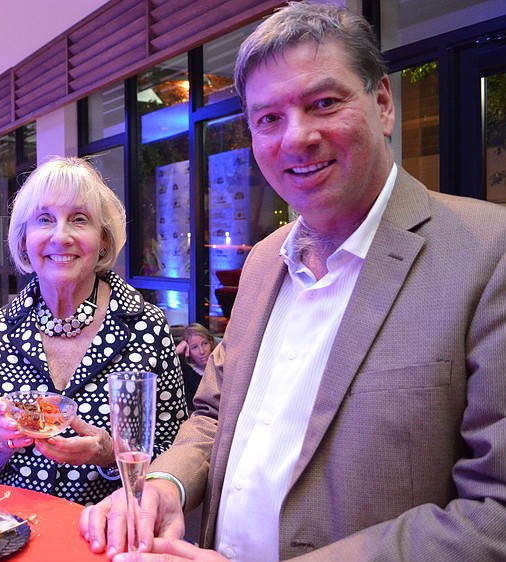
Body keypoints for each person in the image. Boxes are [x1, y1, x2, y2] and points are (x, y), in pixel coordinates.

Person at [80, 2, 506, 560]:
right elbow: (214, 414)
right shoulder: (263, 263)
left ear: (382, 104)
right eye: (268, 118)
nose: (296, 137)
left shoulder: (488, 254)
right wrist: (167, 484)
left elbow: (494, 514)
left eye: (323, 103)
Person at [0, 156, 188, 505]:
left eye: (79, 220)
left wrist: (110, 453)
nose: (61, 236)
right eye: (44, 220)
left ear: (103, 241)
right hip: (13, 541)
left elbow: (176, 457)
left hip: (108, 539)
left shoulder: (145, 328)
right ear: (25, 239)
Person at [174, 323, 215, 409]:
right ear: (187, 350)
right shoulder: (184, 372)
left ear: (211, 343)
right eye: (194, 347)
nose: (202, 351)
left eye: (205, 343)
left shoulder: (221, 366)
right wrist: (176, 352)